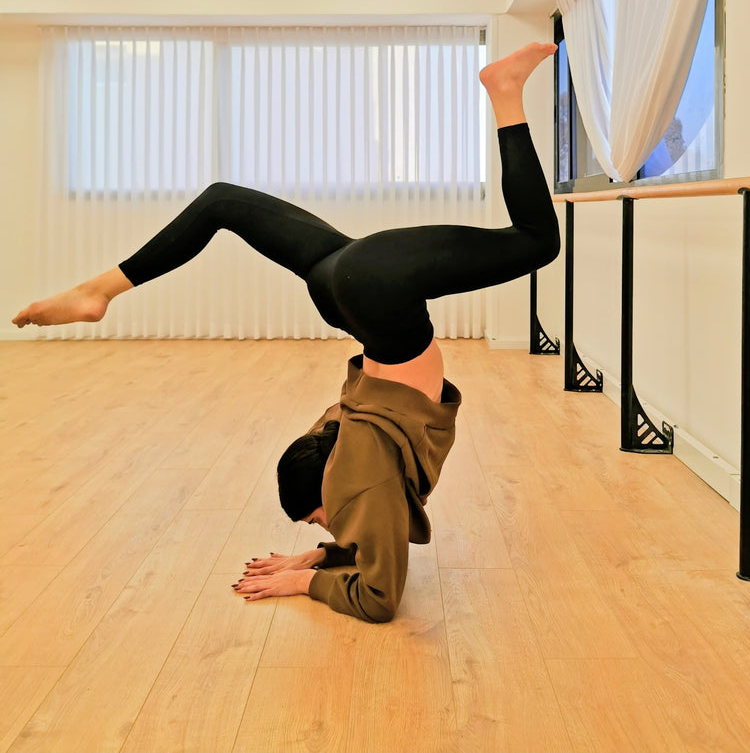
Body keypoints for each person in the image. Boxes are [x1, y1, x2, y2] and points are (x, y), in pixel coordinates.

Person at [12, 41, 561, 623]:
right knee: (224, 202)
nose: (326, 522)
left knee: (536, 241)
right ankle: (103, 289)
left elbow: (373, 574)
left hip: (371, 290)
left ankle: (505, 92)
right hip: (343, 284)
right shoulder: (353, 444)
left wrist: (309, 575)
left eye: (319, 517)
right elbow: (371, 560)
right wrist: (318, 560)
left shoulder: (366, 462)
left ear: (332, 482)